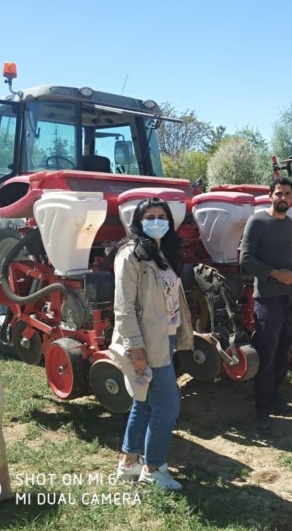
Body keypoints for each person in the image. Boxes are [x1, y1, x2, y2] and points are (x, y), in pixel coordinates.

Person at [114, 197, 194, 491]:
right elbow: (123, 307)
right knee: (167, 407)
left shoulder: (162, 253)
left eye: (162, 216)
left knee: (144, 401)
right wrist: (136, 348)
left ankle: (129, 462)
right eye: (150, 216)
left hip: (165, 335)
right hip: (147, 341)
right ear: (138, 221)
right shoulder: (130, 255)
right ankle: (153, 467)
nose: (157, 221)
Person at [241, 177, 292, 433]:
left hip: (291, 296)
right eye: (279, 193)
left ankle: (276, 397)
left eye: (287, 194)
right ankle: (262, 408)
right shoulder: (257, 221)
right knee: (267, 353)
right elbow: (245, 258)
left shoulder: (291, 224)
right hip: (268, 298)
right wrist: (276, 274)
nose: (283, 198)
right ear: (270, 195)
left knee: (284, 351)